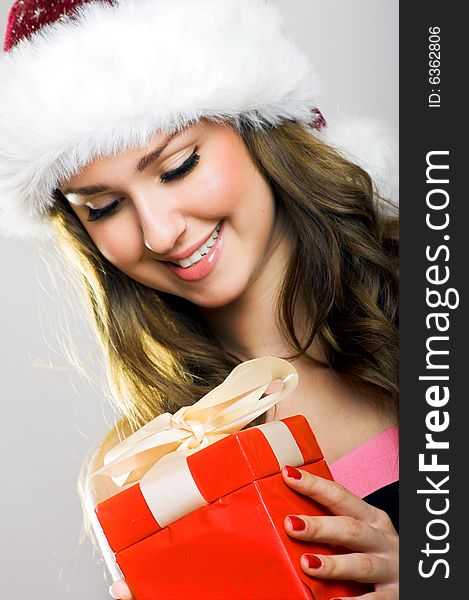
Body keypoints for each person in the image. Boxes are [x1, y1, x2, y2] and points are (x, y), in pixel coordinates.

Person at [0, 1, 399, 599]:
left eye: (178, 166)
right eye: (103, 206)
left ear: (254, 126)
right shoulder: (141, 470)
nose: (159, 233)